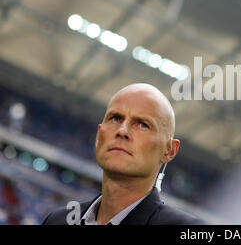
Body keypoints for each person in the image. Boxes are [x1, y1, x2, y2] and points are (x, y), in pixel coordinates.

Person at [42, 83, 204, 225]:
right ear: (99, 136)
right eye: (116, 118)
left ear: (169, 150)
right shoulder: (57, 220)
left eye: (142, 125)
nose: (122, 131)